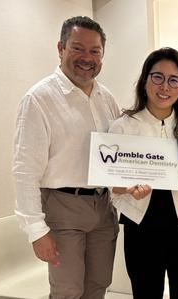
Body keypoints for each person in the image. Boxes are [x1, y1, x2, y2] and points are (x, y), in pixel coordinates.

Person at [13, 16, 120, 298]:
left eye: (94, 51)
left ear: (102, 55)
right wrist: (36, 230)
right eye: (78, 48)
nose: (87, 58)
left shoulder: (106, 98)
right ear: (60, 48)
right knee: (68, 291)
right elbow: (25, 171)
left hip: (103, 207)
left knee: (98, 285)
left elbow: (117, 156)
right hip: (62, 209)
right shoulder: (39, 99)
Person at [109, 47, 178, 299]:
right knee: (146, 292)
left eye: (174, 80)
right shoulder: (123, 127)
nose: (165, 86)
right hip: (142, 227)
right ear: (145, 80)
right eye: (157, 77)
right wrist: (127, 188)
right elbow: (110, 184)